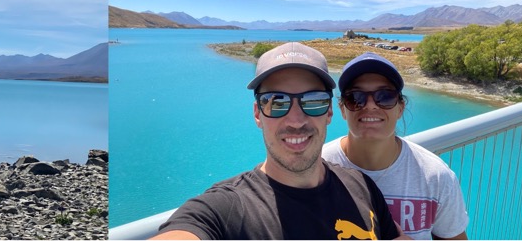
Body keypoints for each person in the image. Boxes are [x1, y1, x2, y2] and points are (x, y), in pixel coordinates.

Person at [154, 42, 404, 240]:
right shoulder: (228, 211)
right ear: (257, 114)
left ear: (329, 112)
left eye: (313, 101)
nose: (296, 120)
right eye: (276, 102)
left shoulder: (361, 186)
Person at [321, 52, 469, 240]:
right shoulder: (320, 167)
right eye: (356, 97)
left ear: (400, 108)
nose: (370, 106)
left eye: (385, 96)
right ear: (342, 109)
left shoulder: (435, 177)